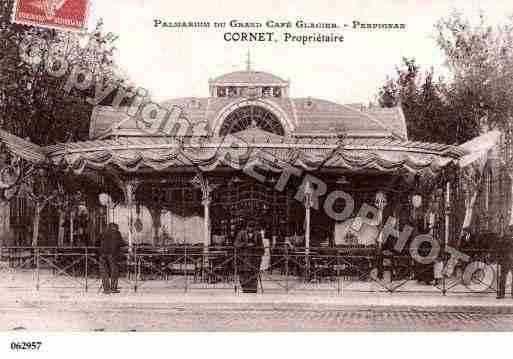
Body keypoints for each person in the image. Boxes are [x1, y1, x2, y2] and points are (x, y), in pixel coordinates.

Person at [234, 220, 264, 293]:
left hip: (254, 259)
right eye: (249, 227)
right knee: (244, 274)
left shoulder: (258, 234)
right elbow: (236, 244)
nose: (251, 229)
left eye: (252, 227)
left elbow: (261, 246)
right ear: (246, 227)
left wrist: (257, 250)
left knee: (253, 274)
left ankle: (253, 289)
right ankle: (245, 288)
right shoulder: (241, 233)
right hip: (244, 258)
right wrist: (245, 244)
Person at [99, 223, 125, 294]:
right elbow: (121, 243)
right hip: (112, 254)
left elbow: (97, 242)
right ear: (115, 228)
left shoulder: (103, 232)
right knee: (114, 271)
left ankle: (106, 289)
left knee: (104, 272)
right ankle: (113, 288)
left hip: (102, 254)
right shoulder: (117, 233)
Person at [497, 226, 513, 299]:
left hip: (506, 260)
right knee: (503, 277)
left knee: (503, 277)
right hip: (507, 260)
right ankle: (502, 293)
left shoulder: (505, 238)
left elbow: (500, 249)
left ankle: (501, 293)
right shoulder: (505, 238)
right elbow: (500, 249)